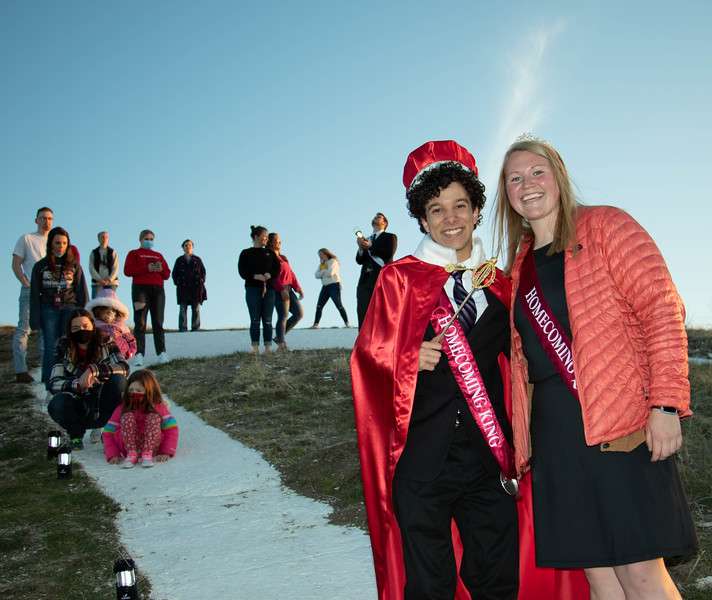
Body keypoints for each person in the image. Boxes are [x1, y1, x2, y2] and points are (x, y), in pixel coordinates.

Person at [352, 140, 587, 600]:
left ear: (477, 209)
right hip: (421, 459)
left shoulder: (503, 281)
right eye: (436, 210)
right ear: (421, 218)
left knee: (497, 578)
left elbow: (521, 361)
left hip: (487, 459)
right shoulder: (397, 279)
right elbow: (366, 357)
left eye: (461, 205)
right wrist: (405, 359)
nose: (451, 218)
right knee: (430, 584)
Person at [494, 135, 697, 600]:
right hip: (558, 435)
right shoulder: (520, 263)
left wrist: (665, 404)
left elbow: (662, 310)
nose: (528, 185)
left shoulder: (606, 225)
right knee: (599, 576)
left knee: (640, 569)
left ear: (559, 176)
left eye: (537, 172)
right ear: (507, 194)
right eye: (515, 178)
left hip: (619, 425)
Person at [46, 308, 128, 449]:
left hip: (103, 399)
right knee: (56, 404)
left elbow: (123, 367)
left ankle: (111, 431)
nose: (81, 330)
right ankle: (76, 435)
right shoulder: (63, 347)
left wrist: (94, 370)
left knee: (119, 381)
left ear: (92, 326)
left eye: (85, 326)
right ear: (70, 331)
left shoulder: (107, 342)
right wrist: (77, 384)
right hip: (79, 403)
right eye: (76, 328)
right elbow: (54, 382)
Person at [30, 227, 89, 387]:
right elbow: (34, 294)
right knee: (50, 345)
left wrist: (84, 313)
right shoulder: (40, 266)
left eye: (64, 243)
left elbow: (81, 290)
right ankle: (48, 380)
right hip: (48, 309)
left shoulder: (74, 266)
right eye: (57, 243)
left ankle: (67, 377)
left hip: (69, 309)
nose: (60, 246)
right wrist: (34, 319)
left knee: (68, 344)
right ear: (50, 244)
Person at [103, 369, 179, 468]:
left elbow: (171, 430)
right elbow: (108, 432)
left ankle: (147, 453)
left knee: (153, 417)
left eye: (139, 391)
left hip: (152, 447)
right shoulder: (122, 408)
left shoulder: (158, 407)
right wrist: (113, 453)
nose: (134, 393)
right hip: (127, 447)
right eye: (131, 390)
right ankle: (132, 454)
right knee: (127, 416)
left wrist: (165, 451)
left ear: (149, 391)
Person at [11, 207, 52, 383]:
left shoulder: (55, 241)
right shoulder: (27, 239)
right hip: (30, 290)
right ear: (36, 220)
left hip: (50, 290)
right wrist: (25, 282)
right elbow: (16, 264)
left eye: (50, 218)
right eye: (43, 218)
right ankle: (21, 371)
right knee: (24, 329)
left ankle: (46, 370)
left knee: (46, 330)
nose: (46, 221)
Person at [124, 229, 171, 366]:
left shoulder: (158, 255)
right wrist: (147, 267)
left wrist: (160, 268)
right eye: (146, 238)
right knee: (140, 322)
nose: (149, 241)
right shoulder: (134, 253)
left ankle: (161, 352)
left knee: (158, 322)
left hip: (158, 291)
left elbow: (167, 274)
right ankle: (139, 354)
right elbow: (128, 271)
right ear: (140, 239)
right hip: (140, 290)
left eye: (151, 239)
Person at [238, 225, 280, 354]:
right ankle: (255, 347)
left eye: (267, 237)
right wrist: (255, 276)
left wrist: (269, 274)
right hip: (252, 289)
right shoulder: (246, 253)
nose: (266, 239)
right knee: (255, 319)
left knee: (267, 319)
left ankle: (268, 348)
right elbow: (242, 271)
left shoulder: (270, 253)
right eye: (264, 237)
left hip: (269, 290)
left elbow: (277, 269)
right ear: (256, 237)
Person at [355, 212, 397, 329]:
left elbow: (388, 254)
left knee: (382, 311)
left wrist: (370, 247)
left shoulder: (390, 237)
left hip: (382, 278)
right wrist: (360, 249)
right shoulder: (366, 239)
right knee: (363, 311)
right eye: (374, 217)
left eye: (379, 217)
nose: (376, 218)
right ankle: (363, 343)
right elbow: (359, 260)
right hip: (365, 281)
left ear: (385, 223)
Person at [267, 232, 304, 351]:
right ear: (271, 242)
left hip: (289, 289)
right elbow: (272, 276)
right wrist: (281, 289)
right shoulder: (269, 257)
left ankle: (279, 337)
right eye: (277, 240)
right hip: (279, 290)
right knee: (283, 316)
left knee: (299, 314)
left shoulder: (283, 258)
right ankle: (281, 344)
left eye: (280, 240)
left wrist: (298, 288)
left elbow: (291, 274)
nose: (280, 242)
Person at [86, 288, 137, 360]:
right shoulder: (95, 324)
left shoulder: (121, 325)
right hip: (101, 356)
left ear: (117, 313)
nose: (109, 316)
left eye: (112, 313)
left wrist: (129, 353)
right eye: (106, 313)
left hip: (120, 355)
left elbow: (131, 340)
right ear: (98, 312)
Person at [171, 239, 207, 332]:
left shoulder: (197, 259)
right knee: (183, 309)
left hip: (196, 287)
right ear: (183, 248)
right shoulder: (179, 260)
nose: (188, 247)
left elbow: (203, 272)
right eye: (186, 245)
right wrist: (177, 282)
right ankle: (183, 328)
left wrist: (201, 281)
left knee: (196, 309)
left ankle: (195, 328)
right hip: (183, 287)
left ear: (192, 247)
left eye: (190, 245)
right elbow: (174, 273)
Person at [311, 248, 350, 328]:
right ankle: (316, 324)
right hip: (325, 286)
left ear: (326, 254)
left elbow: (330, 272)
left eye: (321, 255)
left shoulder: (333, 261)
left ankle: (347, 323)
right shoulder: (322, 264)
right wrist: (324, 271)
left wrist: (322, 273)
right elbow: (316, 275)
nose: (320, 257)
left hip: (334, 285)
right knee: (319, 306)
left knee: (338, 304)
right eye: (319, 255)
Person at [88, 230, 119, 299]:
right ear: (98, 239)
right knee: (96, 304)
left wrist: (109, 279)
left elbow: (116, 267)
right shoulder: (94, 252)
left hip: (111, 283)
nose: (104, 239)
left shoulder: (113, 252)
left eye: (106, 237)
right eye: (102, 237)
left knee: (110, 304)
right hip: (97, 283)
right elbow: (91, 268)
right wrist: (99, 279)